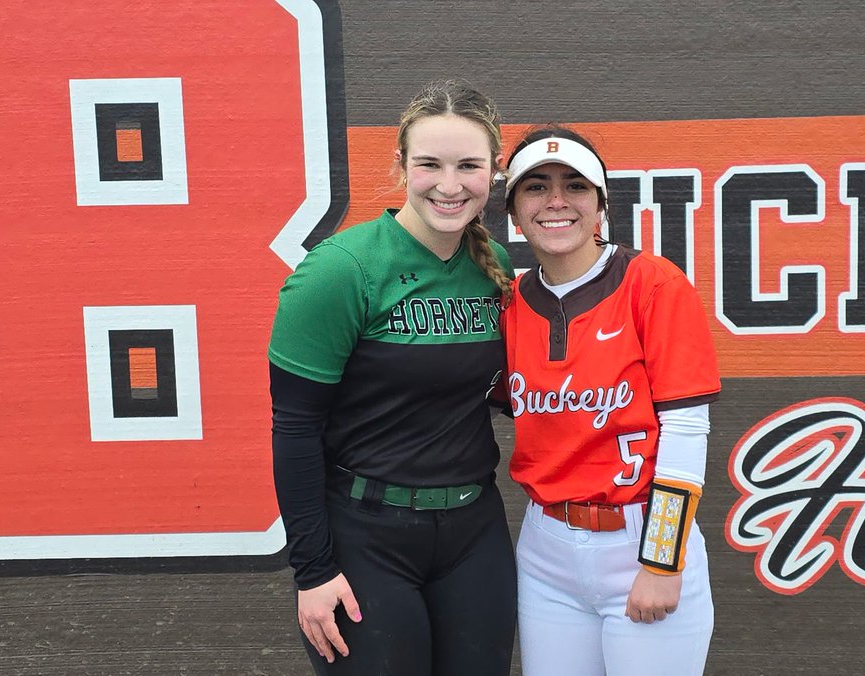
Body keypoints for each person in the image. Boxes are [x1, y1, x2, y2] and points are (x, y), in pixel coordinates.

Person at [268, 80, 516, 676]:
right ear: (401, 164)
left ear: (494, 171)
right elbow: (295, 429)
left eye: (469, 166)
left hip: (474, 532)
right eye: (429, 164)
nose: (449, 185)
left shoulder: (496, 268)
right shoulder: (340, 271)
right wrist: (314, 570)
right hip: (365, 538)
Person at [500, 124, 721, 676]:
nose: (556, 201)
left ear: (602, 205)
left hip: (640, 539)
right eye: (535, 187)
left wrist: (663, 561)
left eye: (575, 185)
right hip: (546, 548)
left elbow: (687, 429)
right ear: (513, 210)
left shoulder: (653, 285)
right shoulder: (508, 303)